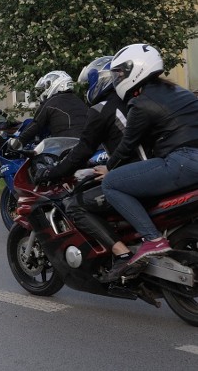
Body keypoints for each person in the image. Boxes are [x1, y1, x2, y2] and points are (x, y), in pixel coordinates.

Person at [97, 43, 198, 280]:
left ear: (137, 70)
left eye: (120, 72)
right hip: (190, 159)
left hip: (182, 161)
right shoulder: (179, 91)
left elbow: (127, 146)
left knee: (111, 184)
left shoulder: (140, 103)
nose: (117, 78)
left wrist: (108, 168)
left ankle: (153, 239)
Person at [34, 56, 143, 255]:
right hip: (154, 168)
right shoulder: (133, 101)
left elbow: (82, 151)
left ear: (100, 80)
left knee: (75, 206)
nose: (87, 90)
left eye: (89, 84)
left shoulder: (102, 109)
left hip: (134, 176)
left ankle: (121, 254)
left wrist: (52, 172)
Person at [13, 70, 88, 148]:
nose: (45, 89)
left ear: (57, 83)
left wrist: (18, 142)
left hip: (66, 146)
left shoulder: (51, 102)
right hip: (87, 145)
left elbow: (36, 124)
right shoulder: (79, 101)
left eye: (47, 85)